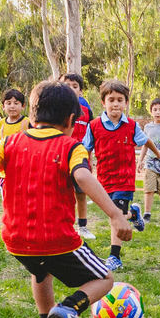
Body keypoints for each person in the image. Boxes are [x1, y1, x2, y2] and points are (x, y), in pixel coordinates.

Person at [0, 81, 132, 318]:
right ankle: (69, 309)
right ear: (71, 119)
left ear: (32, 114)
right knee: (105, 279)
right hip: (58, 240)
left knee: (41, 273)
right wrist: (116, 214)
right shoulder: (71, 147)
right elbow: (82, 176)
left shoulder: (10, 143)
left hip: (16, 241)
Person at [84, 79, 160, 270]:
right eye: (111, 100)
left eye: (120, 99)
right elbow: (86, 148)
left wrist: (158, 153)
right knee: (115, 214)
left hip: (125, 180)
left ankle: (114, 257)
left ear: (126, 102)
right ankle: (133, 213)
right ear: (104, 102)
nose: (116, 104)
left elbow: (146, 141)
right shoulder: (94, 126)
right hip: (104, 180)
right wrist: (85, 165)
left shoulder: (131, 126)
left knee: (115, 216)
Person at [60, 73, 96, 239]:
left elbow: (92, 133)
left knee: (81, 193)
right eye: (66, 85)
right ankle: (61, 226)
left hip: (79, 156)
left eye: (74, 86)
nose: (70, 89)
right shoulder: (56, 109)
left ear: (80, 91)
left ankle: (82, 226)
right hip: (59, 156)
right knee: (60, 192)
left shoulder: (86, 110)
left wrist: (91, 156)